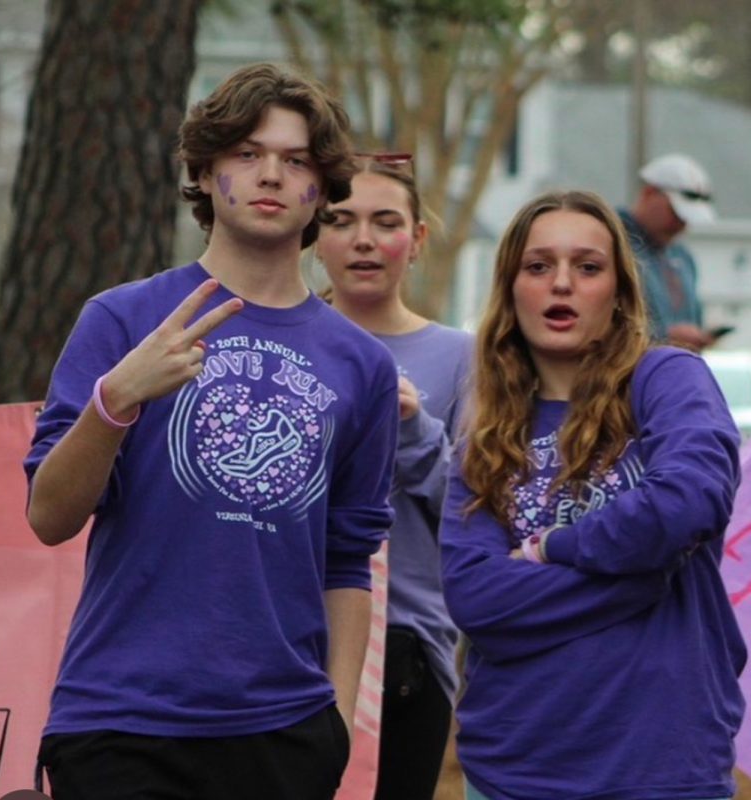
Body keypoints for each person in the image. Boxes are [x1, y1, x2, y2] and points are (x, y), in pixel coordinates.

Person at [24, 63, 400, 800]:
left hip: (284, 731)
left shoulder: (362, 365)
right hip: (121, 720)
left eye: (296, 161)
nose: (271, 175)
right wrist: (116, 400)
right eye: (246, 153)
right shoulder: (122, 319)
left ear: (322, 187)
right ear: (203, 170)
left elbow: (349, 562)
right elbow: (49, 516)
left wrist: (336, 721)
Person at [440, 189, 748, 800]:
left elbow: (688, 501)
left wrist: (555, 547)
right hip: (515, 771)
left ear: (619, 291)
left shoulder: (667, 380)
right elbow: (476, 598)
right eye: (538, 266)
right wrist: (639, 572)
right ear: (511, 289)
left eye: (587, 266)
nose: (562, 284)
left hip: (664, 768)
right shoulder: (485, 435)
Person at [315, 153, 472, 800]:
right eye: (341, 220)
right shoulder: (276, 342)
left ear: (418, 240)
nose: (363, 240)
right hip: (284, 634)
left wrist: (411, 425)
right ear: (313, 233)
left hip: (407, 648)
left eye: (385, 222)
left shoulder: (461, 357)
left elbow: (473, 509)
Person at [619, 153, 721, 351]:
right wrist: (663, 337)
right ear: (649, 193)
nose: (682, 224)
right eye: (676, 213)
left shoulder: (683, 258)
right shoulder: (611, 245)